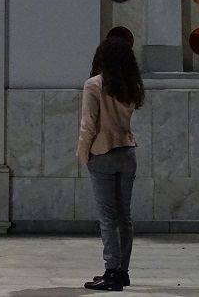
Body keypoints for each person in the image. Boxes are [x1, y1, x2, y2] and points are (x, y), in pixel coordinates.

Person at [77, 36, 144, 291]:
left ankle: (111, 272)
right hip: (127, 152)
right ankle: (122, 271)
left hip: (103, 153)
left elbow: (88, 124)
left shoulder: (94, 85)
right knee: (124, 216)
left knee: (108, 217)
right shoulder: (131, 86)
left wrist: (84, 153)